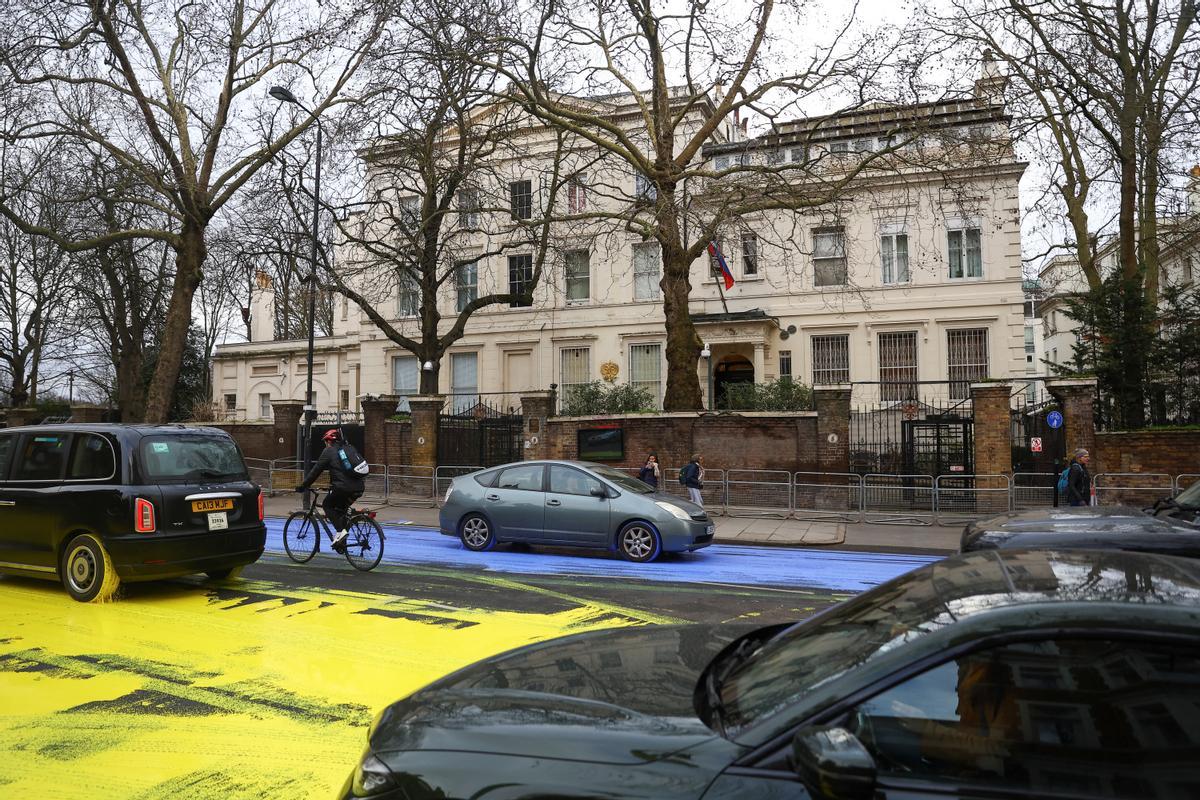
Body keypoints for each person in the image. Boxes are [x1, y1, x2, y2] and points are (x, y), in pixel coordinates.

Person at [294, 429, 365, 551]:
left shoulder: (329, 451)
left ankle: (339, 533)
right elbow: (343, 473)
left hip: (343, 488)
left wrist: (303, 486)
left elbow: (315, 471)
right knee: (340, 511)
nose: (325, 444)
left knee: (328, 505)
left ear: (329, 441)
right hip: (358, 488)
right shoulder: (347, 449)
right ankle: (342, 544)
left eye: (326, 442)